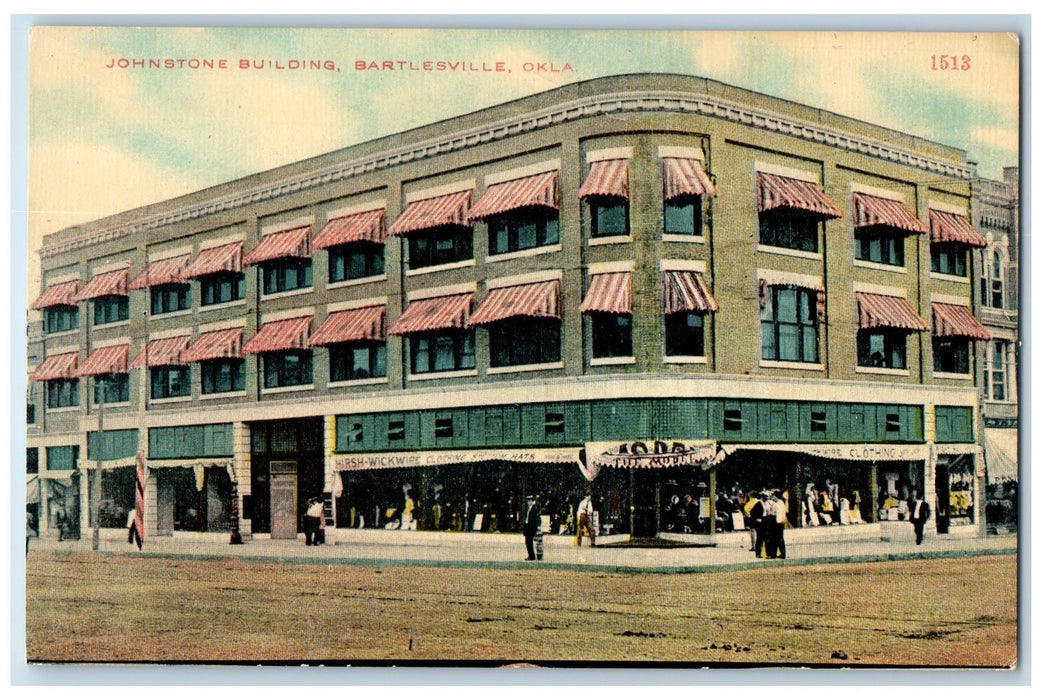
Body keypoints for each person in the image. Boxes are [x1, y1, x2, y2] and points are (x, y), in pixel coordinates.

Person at [523, 495, 542, 561]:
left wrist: (538, 527)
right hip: (527, 527)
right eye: (528, 501)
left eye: (530, 501)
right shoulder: (528, 509)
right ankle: (530, 555)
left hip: (531, 528)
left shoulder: (534, 509)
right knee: (527, 542)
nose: (529, 502)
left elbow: (537, 518)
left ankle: (531, 556)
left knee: (529, 542)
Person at [769, 490, 787, 559]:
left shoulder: (778, 504)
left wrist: (777, 522)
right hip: (780, 522)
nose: (772, 497)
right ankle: (781, 553)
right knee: (779, 539)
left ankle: (774, 554)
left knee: (775, 539)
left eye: (773, 496)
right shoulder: (780, 503)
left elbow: (779, 513)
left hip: (777, 522)